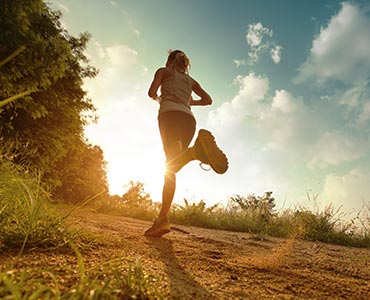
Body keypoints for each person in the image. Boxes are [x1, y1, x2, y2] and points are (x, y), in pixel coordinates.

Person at [144, 49, 228, 237]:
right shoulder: (191, 81)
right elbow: (208, 100)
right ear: (185, 64)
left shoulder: (164, 72)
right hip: (188, 120)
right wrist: (190, 103)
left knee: (171, 166)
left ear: (169, 61)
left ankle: (195, 152)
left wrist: (160, 99)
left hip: (169, 116)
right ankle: (162, 220)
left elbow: (151, 92)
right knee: (172, 167)